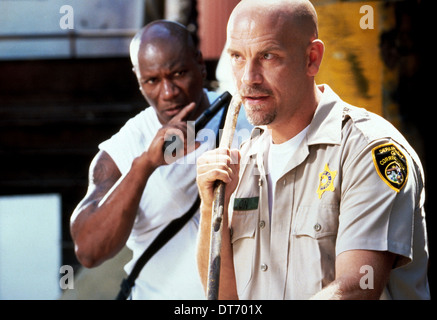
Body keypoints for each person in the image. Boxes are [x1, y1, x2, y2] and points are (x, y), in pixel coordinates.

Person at [196, 0, 430, 300]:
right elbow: (222, 297)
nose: (248, 77)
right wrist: (209, 208)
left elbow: (359, 287)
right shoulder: (243, 159)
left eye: (268, 56)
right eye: (238, 57)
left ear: (312, 59)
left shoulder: (368, 151)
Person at [70, 20, 251, 299]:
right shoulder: (126, 146)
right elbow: (89, 251)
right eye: (152, 81)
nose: (168, 93)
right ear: (139, 81)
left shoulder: (246, 119)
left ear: (200, 64)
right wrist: (145, 165)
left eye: (178, 74)